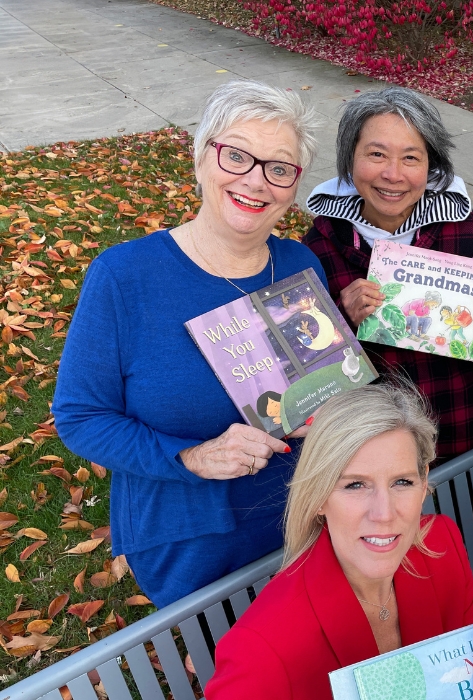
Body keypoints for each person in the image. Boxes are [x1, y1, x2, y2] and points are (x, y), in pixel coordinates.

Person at [52, 80, 325, 607]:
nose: (256, 181)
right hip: (192, 539)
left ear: (293, 186)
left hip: (302, 517)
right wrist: (193, 457)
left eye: (279, 167)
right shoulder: (124, 277)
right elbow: (81, 417)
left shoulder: (298, 265)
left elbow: (322, 387)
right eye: (237, 155)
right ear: (202, 156)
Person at [204, 384, 473, 699]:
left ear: (424, 481)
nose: (384, 513)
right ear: (318, 497)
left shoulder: (442, 545)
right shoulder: (260, 651)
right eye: (355, 485)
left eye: (402, 482)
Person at [303, 86, 473, 463]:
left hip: (468, 431)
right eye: (376, 154)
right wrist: (340, 316)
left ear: (430, 166)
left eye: (411, 158)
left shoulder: (471, 233)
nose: (393, 174)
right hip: (373, 448)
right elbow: (305, 365)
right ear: (349, 159)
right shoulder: (318, 247)